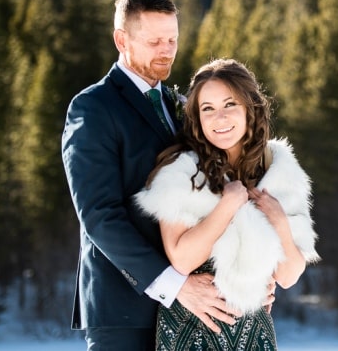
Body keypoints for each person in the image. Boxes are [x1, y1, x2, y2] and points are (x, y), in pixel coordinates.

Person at [62, 0, 243, 351]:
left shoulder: (182, 106)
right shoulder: (93, 108)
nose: (167, 50)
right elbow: (99, 215)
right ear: (121, 39)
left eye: (172, 39)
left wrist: (250, 272)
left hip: (196, 313)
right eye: (155, 40)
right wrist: (175, 285)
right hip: (125, 310)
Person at [135, 58, 319, 351]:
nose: (219, 118)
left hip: (253, 333)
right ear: (197, 118)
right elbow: (182, 259)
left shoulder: (278, 170)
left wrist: (280, 222)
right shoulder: (181, 172)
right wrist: (228, 205)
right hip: (191, 328)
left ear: (250, 108)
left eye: (229, 104)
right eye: (208, 109)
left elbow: (287, 277)